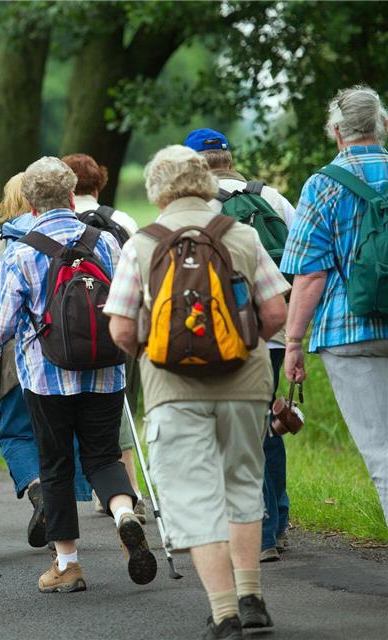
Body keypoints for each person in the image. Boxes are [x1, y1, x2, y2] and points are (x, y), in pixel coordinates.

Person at [105, 145, 290, 639]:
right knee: (244, 485)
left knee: (193, 496)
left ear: (156, 189)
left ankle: (225, 612)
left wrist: (158, 350)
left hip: (173, 388)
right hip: (245, 383)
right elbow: (276, 316)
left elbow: (121, 330)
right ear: (206, 182)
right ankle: (253, 597)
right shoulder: (243, 236)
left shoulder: (141, 244)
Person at [0, 157, 156, 594]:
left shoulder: (21, 251)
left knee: (56, 466)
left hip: (46, 378)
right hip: (106, 370)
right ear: (72, 195)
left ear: (31, 204)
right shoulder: (107, 242)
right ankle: (123, 513)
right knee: (103, 456)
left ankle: (68, 565)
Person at [185, 128, 298, 562]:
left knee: (230, 435)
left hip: (218, 337)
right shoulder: (271, 198)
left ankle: (260, 534)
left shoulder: (197, 209)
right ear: (229, 159)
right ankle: (278, 522)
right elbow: (300, 262)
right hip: (273, 331)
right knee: (267, 428)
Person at [0, 172, 92, 548]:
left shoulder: (1, 243)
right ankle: (67, 518)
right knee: (64, 435)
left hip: (15, 360)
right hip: (69, 352)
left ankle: (39, 492)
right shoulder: (79, 233)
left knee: (17, 432)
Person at [280, 85, 388, 526]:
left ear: (337, 132)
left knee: (382, 452)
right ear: (382, 125)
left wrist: (292, 343)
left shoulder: (323, 184)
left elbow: (309, 276)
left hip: (350, 333)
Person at [61, 153, 146, 523]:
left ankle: (94, 488)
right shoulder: (120, 221)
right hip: (113, 326)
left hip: (62, 335)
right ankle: (125, 489)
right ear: (99, 182)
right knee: (118, 406)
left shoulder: (54, 223)